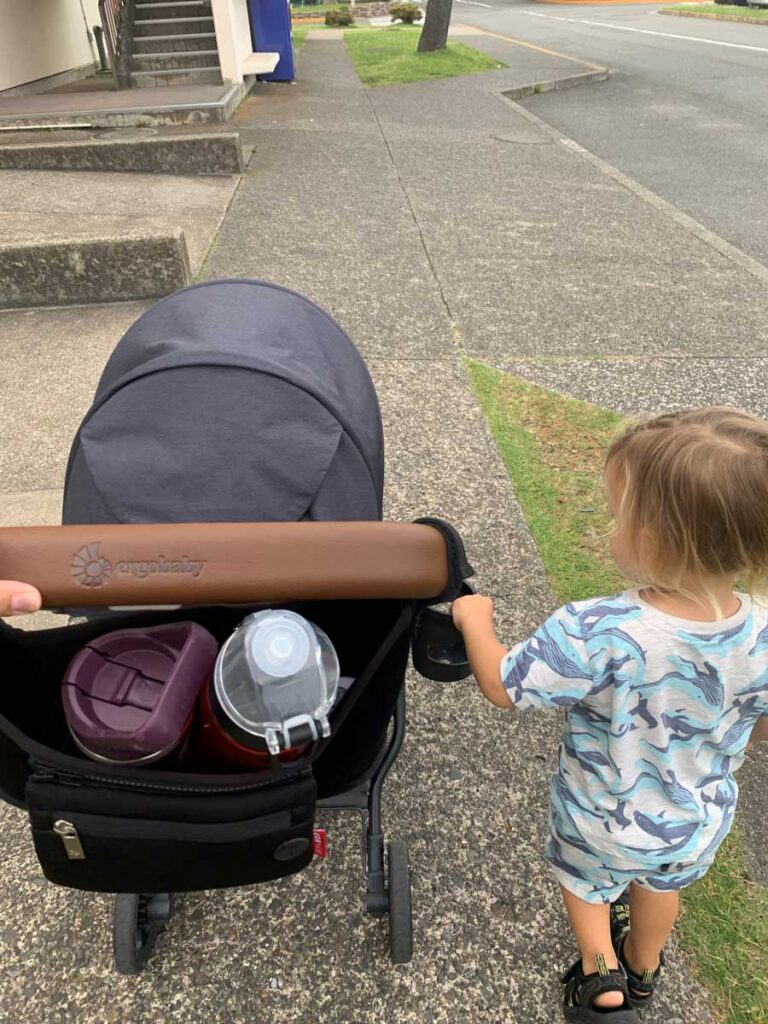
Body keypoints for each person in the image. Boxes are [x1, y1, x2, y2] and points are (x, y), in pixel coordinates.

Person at [452, 407, 768, 1023]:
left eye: (618, 514)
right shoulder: (763, 631)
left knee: (587, 888)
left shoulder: (595, 630)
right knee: (661, 887)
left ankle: (601, 973)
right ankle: (645, 966)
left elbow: (503, 685)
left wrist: (475, 620)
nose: (611, 526)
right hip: (694, 819)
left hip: (598, 817)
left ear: (654, 536)